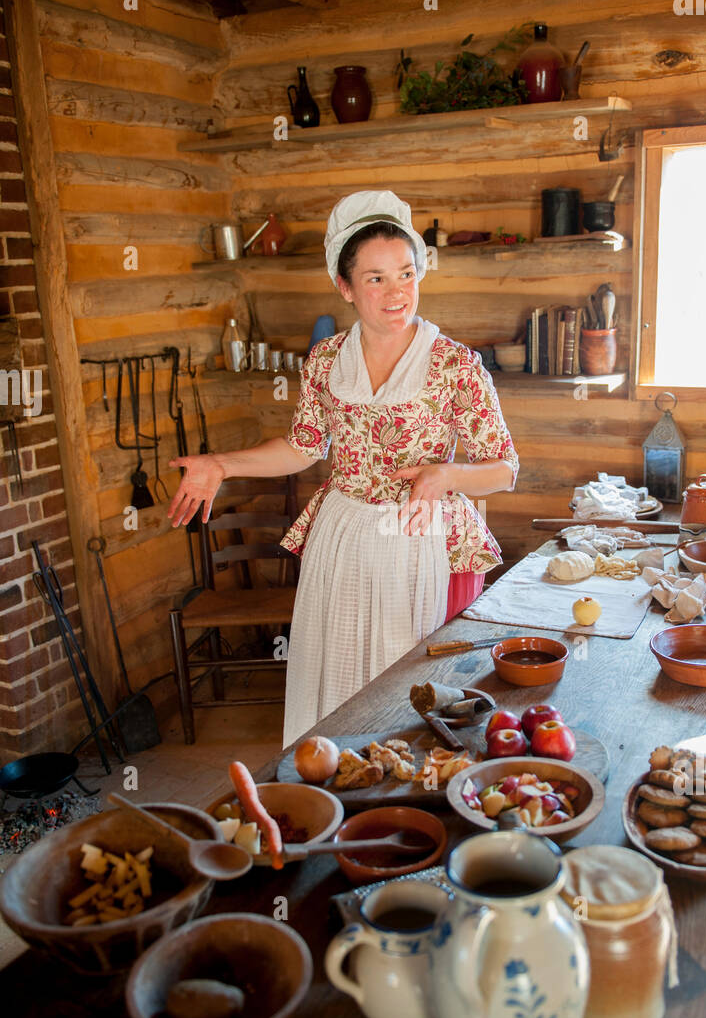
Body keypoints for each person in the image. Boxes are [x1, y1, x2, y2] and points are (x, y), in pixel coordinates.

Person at [168, 190, 519, 748]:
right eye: (375, 278)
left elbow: (503, 468)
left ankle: (407, 808)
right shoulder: (327, 358)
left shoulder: (455, 364)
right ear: (345, 286)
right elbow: (303, 447)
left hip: (419, 539)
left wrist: (445, 476)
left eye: (406, 273)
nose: (396, 291)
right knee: (335, 681)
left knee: (412, 696)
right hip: (344, 536)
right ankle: (333, 793)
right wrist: (221, 464)